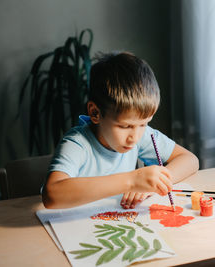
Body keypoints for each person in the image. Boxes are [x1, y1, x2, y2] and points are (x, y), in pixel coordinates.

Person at [42, 52, 199, 209]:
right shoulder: (78, 143)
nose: (135, 137)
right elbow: (51, 195)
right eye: (125, 126)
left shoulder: (142, 135)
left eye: (144, 124)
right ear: (95, 113)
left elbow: (190, 160)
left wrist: (156, 183)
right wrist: (131, 181)